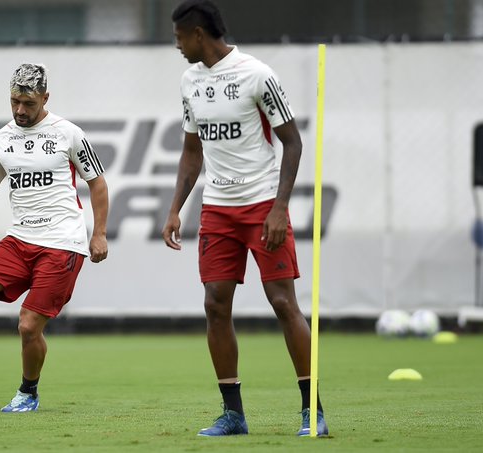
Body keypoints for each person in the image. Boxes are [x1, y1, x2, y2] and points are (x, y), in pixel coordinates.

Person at [162, 0, 328, 437]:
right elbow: (192, 151)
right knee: (215, 305)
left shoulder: (257, 74)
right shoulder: (189, 81)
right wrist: (175, 208)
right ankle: (233, 415)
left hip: (261, 207)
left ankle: (313, 411)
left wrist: (279, 208)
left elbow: (292, 143)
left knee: (282, 303)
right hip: (217, 209)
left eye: (180, 38)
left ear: (198, 34)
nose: (177, 46)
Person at [0, 63, 109, 412]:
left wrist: (98, 233)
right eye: (14, 102)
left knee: (28, 326)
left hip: (61, 243)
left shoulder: (68, 133)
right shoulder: (0, 140)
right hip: (20, 239)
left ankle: (28, 393)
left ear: (45, 98)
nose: (20, 110)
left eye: (27, 103)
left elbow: (97, 183)